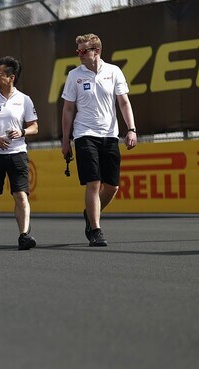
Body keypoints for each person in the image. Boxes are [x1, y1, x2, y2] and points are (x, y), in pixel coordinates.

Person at [61, 33, 137, 247]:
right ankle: (96, 230)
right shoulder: (74, 75)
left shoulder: (113, 71)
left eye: (84, 51)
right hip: (85, 135)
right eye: (78, 51)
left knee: (112, 186)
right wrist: (66, 140)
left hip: (110, 135)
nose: (80, 55)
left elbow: (123, 103)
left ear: (97, 51)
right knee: (93, 183)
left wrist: (131, 129)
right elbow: (68, 110)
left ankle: (90, 212)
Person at [0, 56, 39, 250]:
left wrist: (23, 132)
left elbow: (34, 126)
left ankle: (24, 235)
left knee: (21, 195)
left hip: (17, 153)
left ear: (11, 77)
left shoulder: (24, 99)